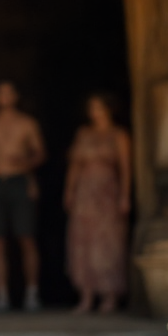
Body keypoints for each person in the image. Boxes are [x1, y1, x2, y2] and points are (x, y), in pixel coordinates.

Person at [0, 81, 46, 311]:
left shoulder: (27, 123)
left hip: (19, 181)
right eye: (0, 92)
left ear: (15, 96)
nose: (4, 96)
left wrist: (26, 164)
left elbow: (40, 154)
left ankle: (32, 294)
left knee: (26, 238)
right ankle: (2, 295)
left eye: (8, 92)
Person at [64, 94, 132, 314]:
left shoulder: (118, 135)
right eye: (91, 108)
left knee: (108, 240)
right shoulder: (83, 134)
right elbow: (75, 165)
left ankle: (109, 295)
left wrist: (125, 196)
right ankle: (87, 295)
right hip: (85, 192)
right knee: (83, 239)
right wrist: (70, 190)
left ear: (108, 109)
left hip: (107, 192)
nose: (94, 112)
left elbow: (125, 168)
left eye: (99, 107)